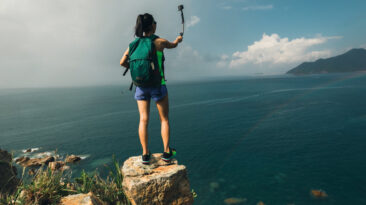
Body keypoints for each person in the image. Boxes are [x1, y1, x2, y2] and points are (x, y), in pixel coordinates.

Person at [120, 13, 183, 164]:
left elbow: (122, 62)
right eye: (155, 22)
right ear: (152, 25)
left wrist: (137, 69)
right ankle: (167, 152)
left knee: (143, 119)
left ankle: (145, 154)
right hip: (157, 85)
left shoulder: (133, 44)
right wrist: (178, 40)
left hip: (140, 86)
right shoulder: (159, 42)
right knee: (164, 119)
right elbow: (173, 45)